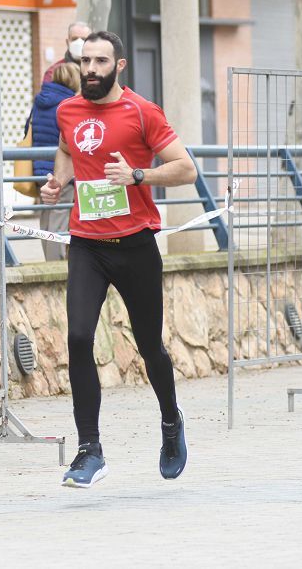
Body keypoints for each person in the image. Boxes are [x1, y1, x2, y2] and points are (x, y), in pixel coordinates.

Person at [40, 31, 198, 488]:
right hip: (87, 244)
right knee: (77, 337)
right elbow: (69, 148)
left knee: (150, 346)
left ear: (119, 66)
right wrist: (58, 182)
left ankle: (171, 421)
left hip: (134, 245)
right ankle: (89, 449)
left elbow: (185, 168)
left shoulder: (142, 111)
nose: (90, 69)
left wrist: (137, 175)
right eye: (85, 60)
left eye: (100, 61)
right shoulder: (68, 109)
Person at [28, 62, 80, 261]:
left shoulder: (40, 101)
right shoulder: (68, 104)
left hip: (40, 168)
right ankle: (56, 263)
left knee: (46, 217)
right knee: (59, 217)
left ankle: (48, 258)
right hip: (61, 170)